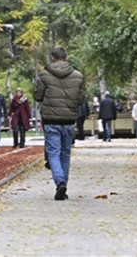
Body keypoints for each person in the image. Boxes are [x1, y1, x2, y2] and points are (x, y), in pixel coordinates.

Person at [35, 46, 86, 201]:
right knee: (65, 154)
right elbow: (81, 99)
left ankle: (60, 182)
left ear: (52, 57)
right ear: (66, 57)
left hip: (51, 120)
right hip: (69, 119)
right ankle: (63, 184)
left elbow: (38, 96)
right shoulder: (78, 76)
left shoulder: (44, 75)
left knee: (53, 153)